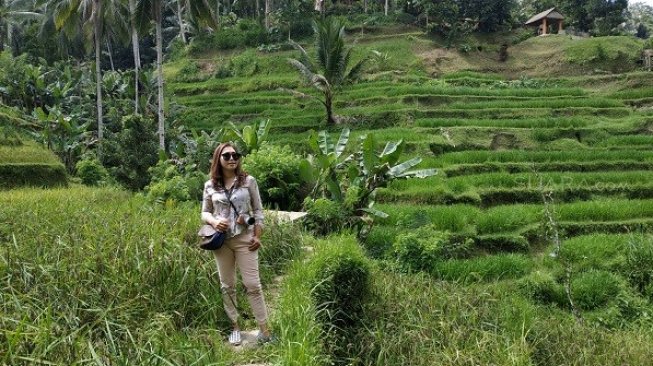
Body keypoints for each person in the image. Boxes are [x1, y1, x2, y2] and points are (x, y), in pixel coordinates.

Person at [201, 142, 272, 346]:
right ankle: (235, 327)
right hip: (221, 241)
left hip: (244, 239)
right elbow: (204, 212)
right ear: (219, 159)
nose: (232, 159)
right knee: (227, 286)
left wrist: (257, 236)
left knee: (252, 285)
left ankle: (264, 329)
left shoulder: (248, 181)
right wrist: (214, 221)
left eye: (235, 155)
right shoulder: (210, 185)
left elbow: (258, 211)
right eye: (227, 156)